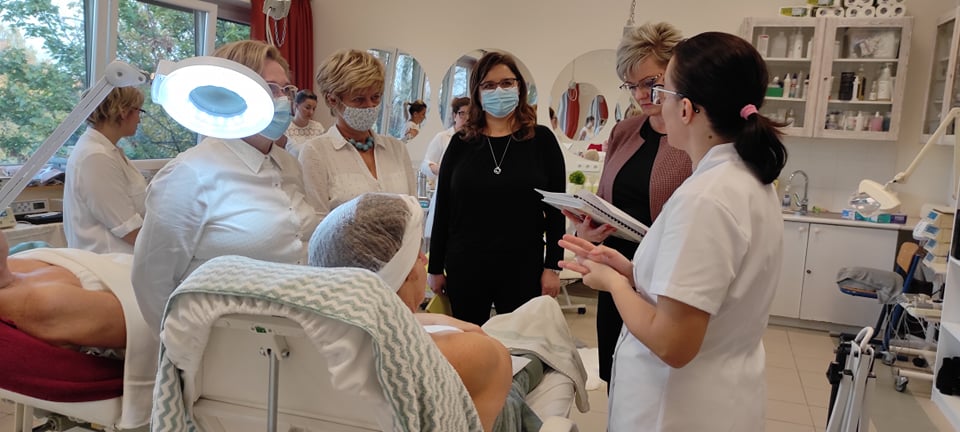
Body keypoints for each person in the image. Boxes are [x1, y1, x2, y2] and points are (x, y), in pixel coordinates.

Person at [559, 31, 788, 430]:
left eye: (661, 90)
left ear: (685, 109)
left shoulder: (705, 198)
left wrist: (614, 283)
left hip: (676, 408)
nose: (650, 101)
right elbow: (711, 289)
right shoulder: (746, 179)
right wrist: (633, 271)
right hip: (721, 394)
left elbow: (672, 343)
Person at [133, 40, 320, 334]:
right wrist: (185, 348)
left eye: (287, 90)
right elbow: (151, 282)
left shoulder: (288, 165)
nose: (283, 100)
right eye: (271, 88)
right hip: (220, 345)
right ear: (231, 93)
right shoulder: (189, 175)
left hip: (296, 332)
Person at [308, 192, 512, 432]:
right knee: (538, 315)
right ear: (404, 272)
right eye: (417, 254)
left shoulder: (316, 349)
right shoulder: (471, 352)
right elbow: (496, 353)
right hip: (508, 401)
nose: (424, 259)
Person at [563, 21, 691, 387]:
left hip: (666, 277)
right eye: (631, 85)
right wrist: (588, 230)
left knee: (655, 381)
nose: (640, 94)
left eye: (650, 82)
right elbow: (606, 200)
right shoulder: (624, 132)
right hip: (616, 270)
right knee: (617, 376)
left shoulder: (693, 138)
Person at [428, 51, 565, 326]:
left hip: (522, 264)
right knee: (468, 340)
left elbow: (557, 209)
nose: (498, 91)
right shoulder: (460, 143)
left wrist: (553, 266)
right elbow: (443, 207)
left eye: (506, 83)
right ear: (477, 92)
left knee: (518, 342)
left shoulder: (542, 141)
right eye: (489, 85)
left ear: (519, 87)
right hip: (465, 264)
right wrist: (435, 268)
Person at [299, 49, 417, 217]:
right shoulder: (316, 152)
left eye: (375, 97)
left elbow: (414, 213)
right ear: (333, 100)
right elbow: (316, 222)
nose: (370, 106)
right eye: (358, 99)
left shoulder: (397, 149)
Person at [63, 87, 147, 254]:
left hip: (123, 259)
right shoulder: (96, 156)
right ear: (123, 112)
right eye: (139, 111)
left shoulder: (107, 151)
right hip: (110, 261)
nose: (139, 119)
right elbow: (128, 229)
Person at [420, 97, 470, 180]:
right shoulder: (442, 137)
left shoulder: (476, 140)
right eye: (462, 114)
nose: (467, 118)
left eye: (471, 114)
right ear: (454, 116)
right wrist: (441, 170)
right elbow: (424, 165)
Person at [284, 89, 325, 159]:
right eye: (307, 108)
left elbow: (323, 152)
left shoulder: (318, 128)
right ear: (296, 106)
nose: (311, 112)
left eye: (314, 109)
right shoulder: (285, 128)